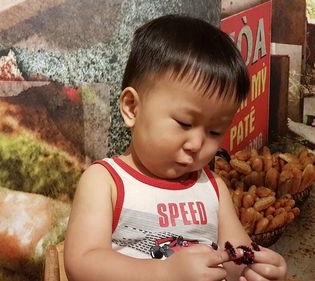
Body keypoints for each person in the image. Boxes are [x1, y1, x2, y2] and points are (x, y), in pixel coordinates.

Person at [64, 14, 287, 281]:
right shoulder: (106, 182)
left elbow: (234, 258)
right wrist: (164, 272)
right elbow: (82, 263)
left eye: (214, 131)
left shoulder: (213, 189)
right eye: (184, 123)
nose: (196, 144)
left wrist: (258, 268)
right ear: (132, 108)